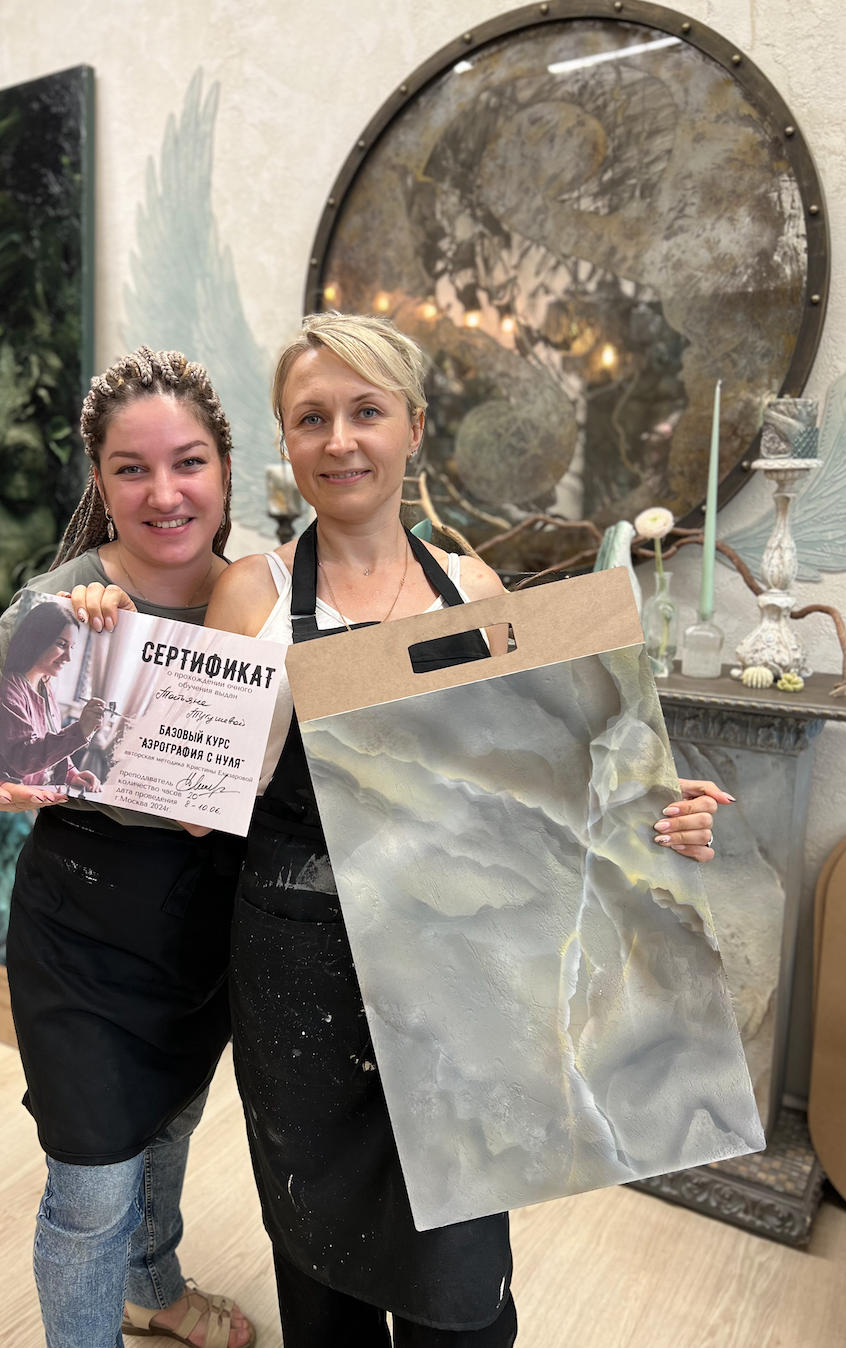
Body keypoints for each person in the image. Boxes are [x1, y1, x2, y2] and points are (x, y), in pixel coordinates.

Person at [199, 313, 731, 1346]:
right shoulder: (248, 594)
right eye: (311, 418)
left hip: (454, 964)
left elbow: (538, 788)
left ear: (414, 424)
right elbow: (207, 794)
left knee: (459, 1268)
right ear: (286, 438)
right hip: (299, 963)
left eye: (366, 411)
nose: (339, 440)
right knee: (319, 1256)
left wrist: (648, 809)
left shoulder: (472, 590)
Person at [0, 347, 255, 1348]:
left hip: (204, 922)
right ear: (100, 480)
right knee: (89, 1186)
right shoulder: (69, 602)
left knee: (169, 1125)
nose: (164, 493)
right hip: (79, 923)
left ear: (224, 467)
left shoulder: (262, 598)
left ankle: (150, 1286)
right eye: (132, 468)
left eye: (188, 462)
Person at [0, 600, 104, 789]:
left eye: (71, 647)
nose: (68, 657)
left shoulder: (45, 686)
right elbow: (24, 759)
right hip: (14, 796)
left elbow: (49, 744)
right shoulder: (6, 691)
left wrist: (72, 774)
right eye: (61, 644)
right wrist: (80, 730)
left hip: (43, 792)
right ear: (37, 640)